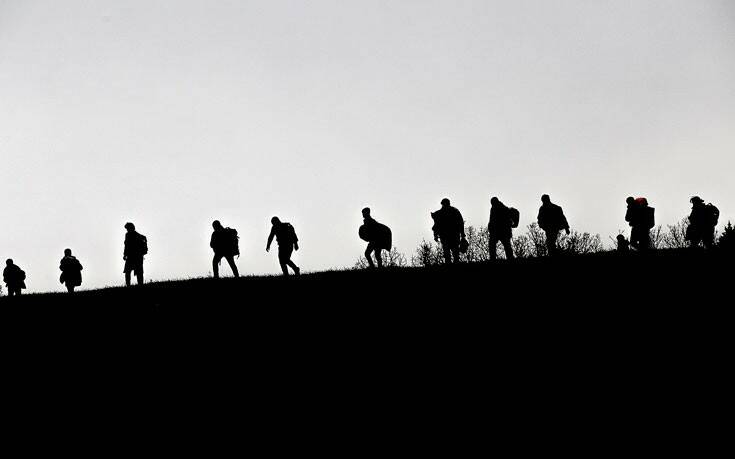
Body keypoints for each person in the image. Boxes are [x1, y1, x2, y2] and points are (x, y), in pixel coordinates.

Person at [431, 198, 466, 264]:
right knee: (453, 254)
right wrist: (463, 235)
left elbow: (436, 226)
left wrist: (435, 235)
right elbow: (461, 223)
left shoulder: (440, 213)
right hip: (451, 236)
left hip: (449, 236)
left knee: (451, 254)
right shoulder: (454, 211)